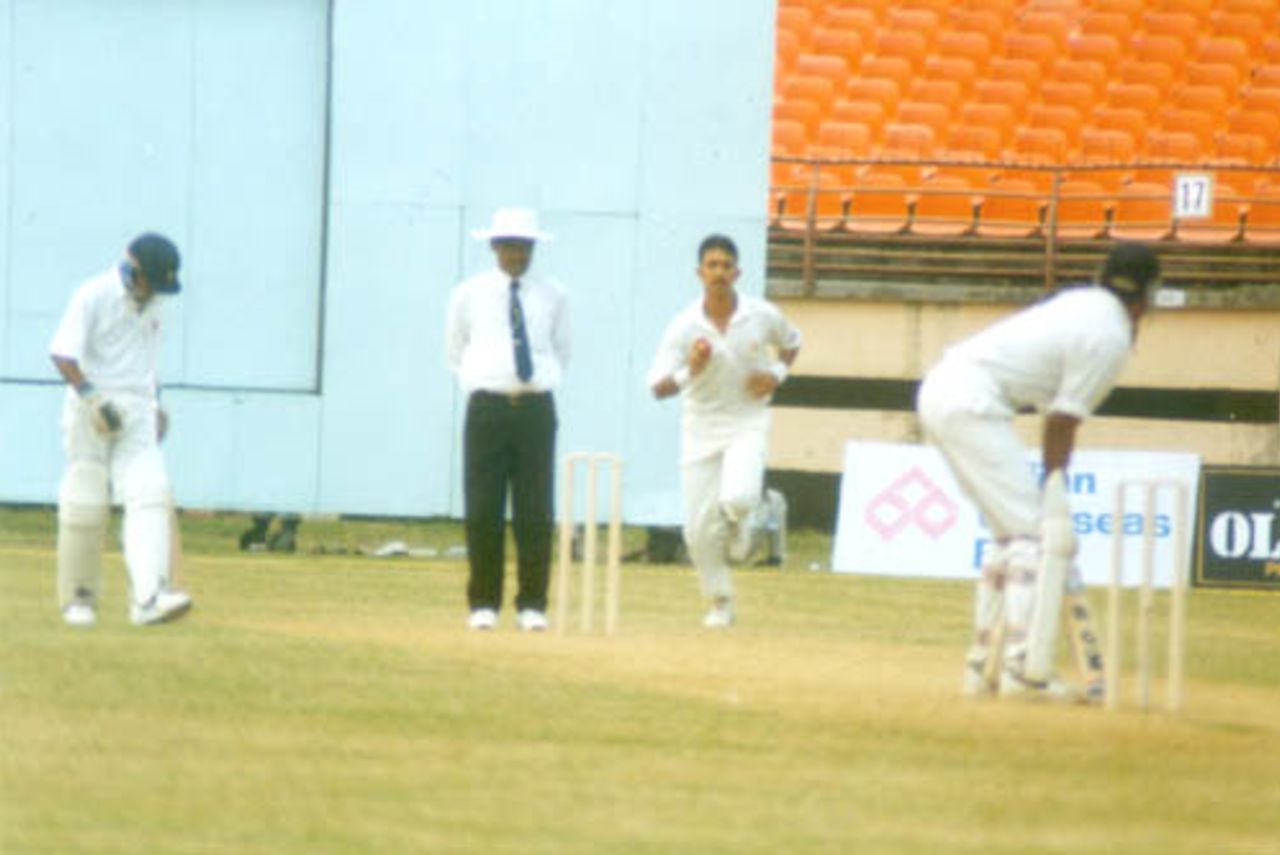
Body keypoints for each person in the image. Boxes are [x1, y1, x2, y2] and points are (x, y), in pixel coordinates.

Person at [916, 242, 1161, 699]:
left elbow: (1054, 407)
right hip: (971, 400)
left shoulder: (1078, 302)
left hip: (942, 389)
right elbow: (1062, 421)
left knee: (1009, 535)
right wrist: (1055, 487)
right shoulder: (1109, 336)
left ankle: (979, 667)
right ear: (1149, 296)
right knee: (1032, 536)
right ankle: (1022, 672)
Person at [648, 234, 801, 628]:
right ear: (699, 273)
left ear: (738, 272)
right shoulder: (684, 325)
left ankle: (750, 512)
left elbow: (792, 343)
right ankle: (720, 601)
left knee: (737, 496)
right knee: (697, 531)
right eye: (711, 266)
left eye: (725, 265)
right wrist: (690, 370)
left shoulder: (761, 315)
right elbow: (658, 387)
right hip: (700, 426)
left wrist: (776, 375)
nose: (718, 273)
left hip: (747, 419)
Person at [49, 232, 193, 627]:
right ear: (133, 271)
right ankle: (79, 599)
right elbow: (62, 354)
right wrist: (93, 398)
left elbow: (148, 363)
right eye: (153, 283)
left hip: (137, 408)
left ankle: (148, 597)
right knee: (86, 496)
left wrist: (156, 405)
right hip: (90, 407)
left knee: (149, 492)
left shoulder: (154, 305)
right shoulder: (92, 294)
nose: (155, 294)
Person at [445, 208, 570, 631]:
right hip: (488, 407)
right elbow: (455, 351)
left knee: (535, 509)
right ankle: (484, 602)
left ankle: (532, 604)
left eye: (525, 246)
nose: (518, 254)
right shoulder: (469, 293)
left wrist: (533, 384)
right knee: (483, 507)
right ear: (495, 247)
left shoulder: (554, 294)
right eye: (510, 246)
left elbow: (561, 350)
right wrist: (489, 380)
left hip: (535, 408)